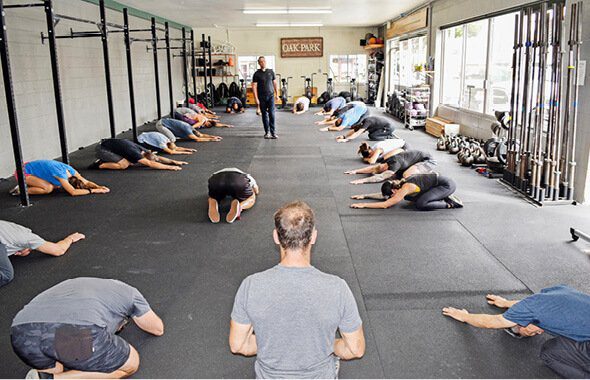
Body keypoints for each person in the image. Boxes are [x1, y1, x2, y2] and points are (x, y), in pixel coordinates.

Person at [229, 201, 365, 378]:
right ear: (313, 237)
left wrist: (274, 342)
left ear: (276, 237)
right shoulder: (337, 288)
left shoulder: (251, 285)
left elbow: (238, 345)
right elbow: (355, 349)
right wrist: (324, 343)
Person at [11, 277, 164, 379]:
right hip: (70, 333)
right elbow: (157, 328)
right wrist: (135, 311)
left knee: (58, 365)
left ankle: (43, 376)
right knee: (131, 364)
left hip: (21, 332)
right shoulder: (130, 293)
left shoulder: (77, 283)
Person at [442, 285, 590, 378]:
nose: (537, 333)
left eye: (526, 332)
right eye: (532, 333)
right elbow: (532, 304)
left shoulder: (530, 310)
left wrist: (465, 316)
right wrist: (506, 303)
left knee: (550, 352)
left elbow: (493, 322)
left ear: (526, 320)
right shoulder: (559, 290)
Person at [0, 220, 84, 288]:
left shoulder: (16, 232)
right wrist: (70, 239)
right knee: (6, 275)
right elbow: (59, 250)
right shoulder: (27, 238)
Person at [350, 173, 463, 210]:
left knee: (421, 204)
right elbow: (385, 197)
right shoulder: (399, 185)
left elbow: (385, 204)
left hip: (447, 185)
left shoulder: (406, 187)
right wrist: (364, 196)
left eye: (391, 195)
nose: (391, 197)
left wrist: (364, 205)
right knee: (409, 198)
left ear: (394, 190)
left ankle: (450, 203)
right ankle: (442, 196)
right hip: (435, 187)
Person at [10, 160, 110, 197]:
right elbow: (73, 192)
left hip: (33, 169)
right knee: (48, 188)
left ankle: (31, 183)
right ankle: (20, 189)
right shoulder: (61, 175)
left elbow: (86, 181)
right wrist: (93, 191)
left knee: (54, 185)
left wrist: (99, 186)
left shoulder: (72, 171)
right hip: (22, 171)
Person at [345, 150, 435, 185]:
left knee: (405, 175)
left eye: (382, 171)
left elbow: (380, 177)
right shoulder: (386, 162)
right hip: (413, 160)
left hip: (428, 161)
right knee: (398, 175)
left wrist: (361, 181)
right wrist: (355, 171)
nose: (381, 171)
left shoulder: (394, 164)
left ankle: (427, 177)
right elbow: (374, 168)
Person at [93, 138, 187, 171]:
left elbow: (156, 158)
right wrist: (169, 167)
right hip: (102, 149)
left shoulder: (145, 151)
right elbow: (151, 164)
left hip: (113, 146)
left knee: (130, 162)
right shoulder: (136, 154)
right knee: (124, 165)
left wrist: (174, 162)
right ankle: (100, 165)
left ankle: (108, 160)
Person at [252, 56, 279, 139]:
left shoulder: (271, 72)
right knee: (264, 115)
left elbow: (275, 83)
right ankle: (267, 132)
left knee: (272, 114)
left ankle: (273, 132)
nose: (262, 63)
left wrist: (277, 94)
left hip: (271, 96)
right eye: (261, 62)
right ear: (259, 63)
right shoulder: (256, 74)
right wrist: (256, 98)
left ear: (265, 62)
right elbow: (254, 87)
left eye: (264, 61)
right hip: (262, 97)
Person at [156, 118, 222, 142]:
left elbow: (201, 135)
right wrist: (212, 140)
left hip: (166, 122)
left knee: (179, 136)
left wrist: (213, 136)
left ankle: (164, 135)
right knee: (173, 139)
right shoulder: (188, 130)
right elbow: (197, 139)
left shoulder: (192, 128)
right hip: (161, 124)